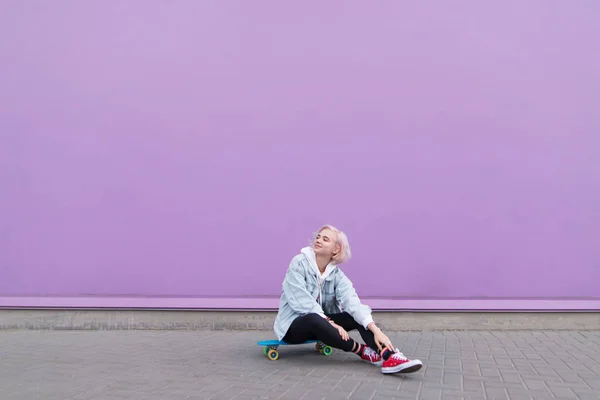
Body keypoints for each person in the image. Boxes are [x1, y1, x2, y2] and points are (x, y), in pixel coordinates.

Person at [273, 224, 423, 374]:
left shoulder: (336, 275)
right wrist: (331, 323)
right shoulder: (299, 263)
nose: (318, 240)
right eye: (318, 237)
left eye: (325, 239)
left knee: (355, 316)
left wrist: (375, 329)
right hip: (293, 328)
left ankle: (389, 356)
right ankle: (362, 351)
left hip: (324, 328)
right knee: (314, 318)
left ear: (336, 249)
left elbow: (353, 303)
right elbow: (301, 301)